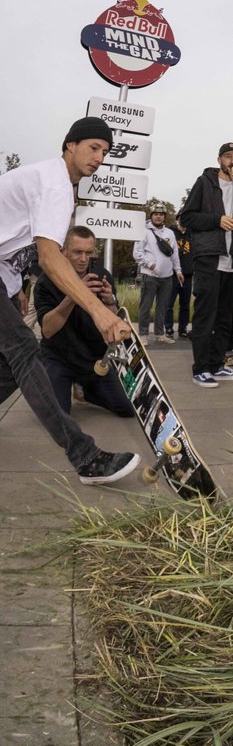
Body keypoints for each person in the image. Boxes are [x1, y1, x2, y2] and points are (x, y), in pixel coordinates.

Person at [0, 117, 139, 485]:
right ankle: (86, 456)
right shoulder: (55, 184)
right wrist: (99, 312)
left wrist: (15, 288)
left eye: (106, 152)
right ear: (70, 146)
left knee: (11, 366)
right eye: (93, 147)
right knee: (26, 353)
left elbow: (13, 240)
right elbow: (49, 256)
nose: (99, 158)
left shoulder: (54, 184)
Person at [180, 141, 233, 387]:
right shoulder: (204, 183)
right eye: (228, 157)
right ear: (219, 160)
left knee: (225, 316)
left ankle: (217, 364)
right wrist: (218, 220)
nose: (232, 161)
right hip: (209, 257)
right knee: (206, 314)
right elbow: (187, 217)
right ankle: (201, 369)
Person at [34, 225, 133, 418]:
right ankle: (50, 385)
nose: (83, 259)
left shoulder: (102, 276)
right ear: (63, 252)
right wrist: (74, 294)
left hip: (93, 357)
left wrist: (110, 302)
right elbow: (47, 330)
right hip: (59, 357)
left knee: (127, 408)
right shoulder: (46, 281)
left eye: (88, 253)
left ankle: (86, 391)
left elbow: (114, 319)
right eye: (77, 252)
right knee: (58, 417)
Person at [133, 206, 183, 343]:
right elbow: (137, 253)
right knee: (146, 306)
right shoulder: (143, 231)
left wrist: (178, 271)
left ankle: (159, 334)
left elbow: (174, 254)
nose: (158, 217)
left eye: (161, 214)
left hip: (167, 276)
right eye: (155, 214)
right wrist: (149, 264)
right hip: (149, 275)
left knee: (162, 307)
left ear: (164, 217)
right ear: (151, 215)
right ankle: (143, 335)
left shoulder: (170, 233)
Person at [164, 220, 193, 338]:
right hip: (172, 274)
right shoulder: (170, 232)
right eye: (182, 217)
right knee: (169, 303)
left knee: (185, 304)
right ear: (178, 219)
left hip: (188, 274)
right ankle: (169, 328)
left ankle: (182, 329)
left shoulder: (192, 233)